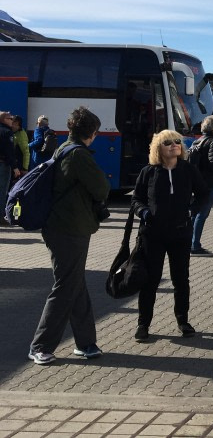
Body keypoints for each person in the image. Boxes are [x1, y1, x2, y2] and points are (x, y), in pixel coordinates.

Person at [28, 106, 110, 365]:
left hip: (64, 226)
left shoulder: (63, 148)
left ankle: (86, 343)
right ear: (93, 133)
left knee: (75, 283)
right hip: (69, 227)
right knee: (65, 286)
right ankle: (40, 346)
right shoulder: (79, 155)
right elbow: (101, 187)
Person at [131, 130, 207, 342]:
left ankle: (183, 321)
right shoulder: (148, 172)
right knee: (151, 280)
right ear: (158, 148)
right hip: (153, 235)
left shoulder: (189, 170)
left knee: (181, 279)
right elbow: (136, 199)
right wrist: (144, 212)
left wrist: (192, 210)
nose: (174, 145)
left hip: (180, 233)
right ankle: (143, 324)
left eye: (177, 142)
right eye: (168, 142)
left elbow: (203, 193)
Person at [189, 115, 213, 254]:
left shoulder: (197, 141)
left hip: (196, 182)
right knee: (202, 214)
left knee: (195, 213)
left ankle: (189, 243)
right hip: (208, 182)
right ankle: (195, 245)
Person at [0, 111, 20, 207]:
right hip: (3, 164)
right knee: (2, 190)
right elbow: (9, 152)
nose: (12, 120)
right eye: (10, 118)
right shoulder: (7, 132)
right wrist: (15, 167)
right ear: (4, 120)